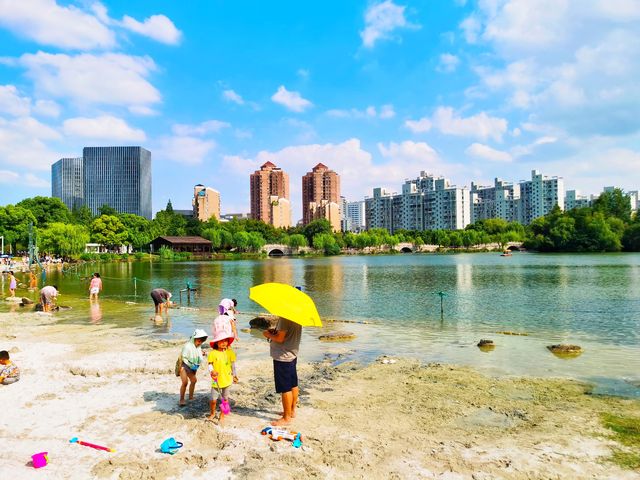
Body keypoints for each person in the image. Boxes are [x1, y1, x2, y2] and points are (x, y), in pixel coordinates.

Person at [263, 316, 302, 425]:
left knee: (285, 388)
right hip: (292, 354)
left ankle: (286, 417)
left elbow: (280, 339)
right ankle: (292, 411)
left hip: (283, 357)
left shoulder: (285, 318)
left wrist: (267, 334)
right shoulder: (297, 317)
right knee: (293, 384)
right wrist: (275, 332)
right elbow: (287, 334)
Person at [207, 327, 238, 423]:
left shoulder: (230, 353)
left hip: (227, 379)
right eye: (221, 341)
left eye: (226, 341)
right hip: (216, 380)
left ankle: (222, 414)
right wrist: (212, 371)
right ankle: (212, 413)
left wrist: (235, 375)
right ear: (216, 342)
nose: (224, 343)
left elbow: (233, 365)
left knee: (225, 399)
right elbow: (210, 364)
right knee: (213, 399)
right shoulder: (212, 353)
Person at [178, 329, 208, 406]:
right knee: (185, 382)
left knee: (194, 381)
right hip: (184, 366)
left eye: (201, 341)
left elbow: (196, 353)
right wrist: (182, 367)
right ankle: (181, 399)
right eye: (198, 341)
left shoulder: (198, 347)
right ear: (194, 339)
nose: (200, 343)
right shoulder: (187, 346)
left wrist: (202, 353)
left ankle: (191, 397)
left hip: (193, 367)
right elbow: (184, 357)